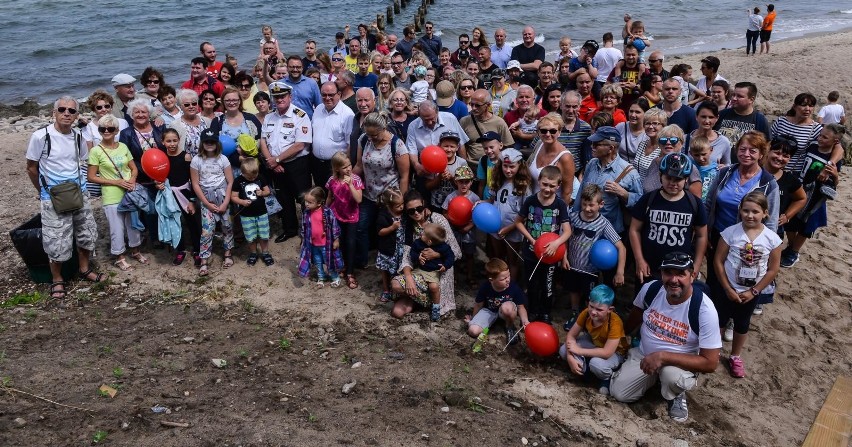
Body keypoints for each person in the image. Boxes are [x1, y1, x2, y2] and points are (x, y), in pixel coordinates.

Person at [610, 252, 722, 422]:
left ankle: (676, 393)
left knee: (671, 376)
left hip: (678, 363)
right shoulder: (651, 289)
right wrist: (619, 338)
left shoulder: (704, 309)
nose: (673, 279)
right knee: (619, 392)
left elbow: (711, 363)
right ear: (661, 274)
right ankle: (651, 377)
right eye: (668, 272)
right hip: (644, 354)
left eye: (680, 274)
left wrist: (662, 357)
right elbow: (636, 315)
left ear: (692, 276)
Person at [26, 97, 103, 296]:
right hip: (52, 196)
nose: (66, 113)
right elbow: (31, 168)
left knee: (86, 233)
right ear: (54, 112)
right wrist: (43, 192)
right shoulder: (40, 136)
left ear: (77, 115)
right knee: (56, 239)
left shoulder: (78, 136)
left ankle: (84, 269)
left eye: (71, 111)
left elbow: (83, 162)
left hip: (79, 193)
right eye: (62, 109)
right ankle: (57, 278)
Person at [705, 131, 780, 318]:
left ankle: (733, 318)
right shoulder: (725, 173)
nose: (746, 154)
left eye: (752, 151)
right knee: (717, 277)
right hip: (719, 235)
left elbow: (771, 221)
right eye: (742, 149)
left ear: (761, 154)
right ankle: (714, 318)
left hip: (749, 242)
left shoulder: (767, 183)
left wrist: (765, 248)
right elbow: (709, 203)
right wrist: (705, 234)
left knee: (741, 279)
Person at [712, 191, 781, 377]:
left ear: (765, 213)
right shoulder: (730, 233)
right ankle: (714, 352)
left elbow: (773, 269)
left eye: (755, 212)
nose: (750, 215)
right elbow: (718, 261)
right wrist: (727, 287)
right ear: (740, 210)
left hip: (751, 291)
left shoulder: (772, 239)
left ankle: (735, 356)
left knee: (742, 323)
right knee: (720, 319)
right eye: (746, 210)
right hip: (727, 287)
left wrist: (755, 291)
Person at [630, 152, 708, 286]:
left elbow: (702, 236)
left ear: (686, 179)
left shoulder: (694, 203)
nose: (672, 183)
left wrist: (696, 265)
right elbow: (634, 229)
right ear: (660, 176)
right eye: (668, 178)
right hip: (650, 268)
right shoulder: (649, 199)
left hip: (680, 271)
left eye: (678, 179)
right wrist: (639, 260)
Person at [86, 114, 146, 272]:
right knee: (116, 227)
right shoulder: (96, 151)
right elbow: (91, 177)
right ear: (99, 130)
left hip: (129, 191)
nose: (106, 131)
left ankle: (135, 250)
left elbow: (133, 168)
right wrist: (116, 182)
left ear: (116, 130)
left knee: (132, 224)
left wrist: (132, 180)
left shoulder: (123, 147)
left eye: (110, 128)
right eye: (103, 128)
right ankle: (119, 256)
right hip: (111, 193)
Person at [781, 125, 846, 268]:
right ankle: (791, 248)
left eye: (825, 137)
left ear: (835, 141)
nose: (820, 138)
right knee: (789, 221)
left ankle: (793, 251)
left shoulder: (834, 159)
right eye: (820, 135)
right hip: (800, 189)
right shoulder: (812, 146)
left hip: (816, 197)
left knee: (806, 227)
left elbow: (835, 182)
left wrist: (834, 175)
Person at [353, 112, 410, 268]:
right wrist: (347, 181)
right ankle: (362, 261)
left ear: (383, 128)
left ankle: (389, 263)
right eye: (368, 134)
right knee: (361, 227)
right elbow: (359, 166)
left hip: (390, 197)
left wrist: (402, 201)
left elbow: (404, 176)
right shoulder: (363, 140)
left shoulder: (397, 145)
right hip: (368, 194)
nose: (371, 138)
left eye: (375, 135)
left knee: (388, 231)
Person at [392, 190, 462, 318]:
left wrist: (437, 254)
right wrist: (408, 278)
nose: (416, 213)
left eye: (419, 208)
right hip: (419, 271)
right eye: (411, 211)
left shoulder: (438, 219)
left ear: (424, 204)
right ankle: (418, 299)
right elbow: (407, 256)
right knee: (396, 288)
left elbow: (456, 252)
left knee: (433, 289)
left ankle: (428, 302)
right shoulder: (408, 225)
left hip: (438, 273)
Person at [515, 165, 572, 323]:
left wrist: (556, 244)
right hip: (531, 252)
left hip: (551, 255)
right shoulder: (530, 201)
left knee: (548, 285)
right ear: (539, 181)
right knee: (532, 283)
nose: (547, 189)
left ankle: (545, 312)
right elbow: (519, 222)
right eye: (545, 184)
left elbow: (567, 231)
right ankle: (532, 310)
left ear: (558, 186)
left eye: (552, 186)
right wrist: (532, 239)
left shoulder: (560, 205)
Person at [259, 82, 313, 243]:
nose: (279, 99)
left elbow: (300, 144)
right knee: (284, 198)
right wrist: (271, 162)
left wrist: (276, 160)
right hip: (275, 166)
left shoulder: (300, 115)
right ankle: (289, 229)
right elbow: (263, 141)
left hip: (297, 165)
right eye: (276, 97)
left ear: (290, 96)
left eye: (282, 96)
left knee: (304, 199)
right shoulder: (269, 117)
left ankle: (308, 230)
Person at [565, 185, 626, 323]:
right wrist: (563, 257)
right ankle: (575, 314)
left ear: (601, 204)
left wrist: (620, 272)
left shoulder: (603, 224)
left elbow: (621, 247)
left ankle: (588, 318)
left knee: (590, 296)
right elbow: (565, 239)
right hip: (572, 265)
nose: (587, 209)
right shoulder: (573, 217)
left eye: (591, 205)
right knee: (573, 289)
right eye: (584, 204)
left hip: (590, 271)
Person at [560, 284, 629, 395]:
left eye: (599, 309)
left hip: (615, 352)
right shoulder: (586, 313)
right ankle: (584, 369)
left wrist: (578, 351)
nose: (593, 312)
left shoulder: (615, 322)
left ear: (610, 309)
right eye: (591, 306)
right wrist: (570, 356)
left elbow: (607, 353)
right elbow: (571, 336)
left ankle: (607, 378)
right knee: (563, 350)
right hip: (594, 342)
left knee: (597, 364)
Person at [574, 126, 643, 235]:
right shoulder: (592, 163)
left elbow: (641, 203)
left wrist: (624, 194)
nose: (592, 147)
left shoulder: (629, 172)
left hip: (610, 233)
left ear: (611, 148)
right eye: (592, 144)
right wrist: (574, 219)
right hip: (585, 227)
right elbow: (580, 194)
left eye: (596, 144)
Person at [190, 129, 234, 276]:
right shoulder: (196, 160)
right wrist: (206, 204)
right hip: (206, 197)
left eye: (212, 141)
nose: (209, 144)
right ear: (202, 143)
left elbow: (230, 181)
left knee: (227, 225)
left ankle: (227, 253)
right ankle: (204, 260)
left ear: (217, 143)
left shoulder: (223, 159)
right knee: (207, 230)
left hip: (222, 195)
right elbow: (195, 184)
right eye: (206, 141)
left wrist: (226, 201)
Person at [158, 128, 201, 266]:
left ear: (179, 140)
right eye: (168, 141)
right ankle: (180, 249)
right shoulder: (161, 158)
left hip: (185, 193)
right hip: (169, 194)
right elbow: (158, 176)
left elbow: (193, 180)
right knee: (174, 222)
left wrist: (192, 200)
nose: (172, 144)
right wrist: (157, 184)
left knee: (192, 222)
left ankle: (197, 250)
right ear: (163, 142)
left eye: (174, 140)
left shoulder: (186, 156)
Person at [489, 148, 532, 281]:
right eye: (505, 166)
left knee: (512, 260)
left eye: (512, 166)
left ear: (520, 166)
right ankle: (498, 282)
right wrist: (481, 203)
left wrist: (509, 228)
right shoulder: (497, 180)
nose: (508, 170)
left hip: (513, 229)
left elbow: (525, 214)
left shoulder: (524, 186)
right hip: (495, 227)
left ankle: (510, 285)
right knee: (498, 257)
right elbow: (492, 200)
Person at [466, 258, 530, 344]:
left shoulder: (513, 287)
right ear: (491, 280)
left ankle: (509, 327)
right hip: (489, 311)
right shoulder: (485, 287)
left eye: (508, 276)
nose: (507, 280)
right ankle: (487, 327)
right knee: (473, 331)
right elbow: (478, 305)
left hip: (505, 312)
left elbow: (520, 307)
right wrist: (474, 319)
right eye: (503, 279)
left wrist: (525, 321)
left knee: (507, 308)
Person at [325, 151, 363, 289]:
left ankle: (350, 272)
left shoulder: (356, 179)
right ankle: (341, 266)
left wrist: (351, 185)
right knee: (338, 242)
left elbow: (359, 199)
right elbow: (330, 197)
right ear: (337, 169)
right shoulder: (332, 180)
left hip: (352, 216)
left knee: (350, 243)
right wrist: (325, 211)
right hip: (337, 215)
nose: (348, 168)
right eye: (345, 167)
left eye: (349, 165)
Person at [230, 157, 274, 267]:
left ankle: (265, 253)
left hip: (261, 212)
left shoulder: (260, 177)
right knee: (250, 236)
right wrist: (242, 201)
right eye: (249, 177)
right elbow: (233, 196)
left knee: (263, 234)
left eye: (254, 176)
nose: (253, 178)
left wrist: (262, 193)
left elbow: (267, 191)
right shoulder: (238, 181)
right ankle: (253, 253)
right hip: (246, 215)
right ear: (243, 173)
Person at [311, 82, 355, 188]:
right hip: (317, 164)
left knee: (335, 197)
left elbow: (350, 144)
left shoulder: (347, 114)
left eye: (331, 95)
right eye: (324, 95)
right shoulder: (318, 109)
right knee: (320, 194)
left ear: (339, 94)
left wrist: (345, 168)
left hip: (335, 166)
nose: (327, 98)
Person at [298, 187, 344, 288]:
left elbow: (335, 226)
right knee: (318, 262)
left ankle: (335, 277)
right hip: (313, 244)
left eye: (310, 202)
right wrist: (303, 240)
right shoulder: (306, 213)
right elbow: (303, 228)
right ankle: (321, 277)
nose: (306, 204)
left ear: (319, 203)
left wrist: (336, 239)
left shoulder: (327, 212)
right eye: (306, 201)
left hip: (326, 244)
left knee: (329, 261)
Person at [442, 165, 479, 285]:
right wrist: (453, 223)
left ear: (471, 182)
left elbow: (478, 216)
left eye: (467, 182)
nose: (464, 185)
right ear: (456, 182)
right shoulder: (451, 197)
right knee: (454, 255)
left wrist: (468, 227)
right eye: (461, 182)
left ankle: (470, 276)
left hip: (469, 232)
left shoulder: (475, 198)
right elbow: (444, 212)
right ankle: (455, 277)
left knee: (469, 255)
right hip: (454, 231)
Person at [642, 125, 703, 198]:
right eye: (663, 140)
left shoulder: (689, 167)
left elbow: (696, 200)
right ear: (659, 144)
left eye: (673, 140)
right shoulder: (655, 162)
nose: (668, 142)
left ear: (681, 143)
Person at [527, 113, 577, 201]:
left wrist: (561, 213)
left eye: (553, 131)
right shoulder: (539, 144)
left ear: (559, 132)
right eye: (543, 131)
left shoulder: (565, 157)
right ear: (538, 132)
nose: (547, 134)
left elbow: (567, 193)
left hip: (552, 208)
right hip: (533, 203)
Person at [770, 93, 823, 174]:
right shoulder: (781, 121)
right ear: (794, 106)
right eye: (803, 105)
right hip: (772, 168)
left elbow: (836, 146)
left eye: (811, 106)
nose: (807, 109)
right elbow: (768, 142)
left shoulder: (816, 128)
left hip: (794, 172)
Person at [460, 89, 514, 164]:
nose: (474, 108)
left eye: (477, 105)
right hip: (472, 165)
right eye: (471, 104)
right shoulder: (464, 121)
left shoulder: (499, 122)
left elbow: (508, 145)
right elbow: (461, 144)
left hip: (493, 166)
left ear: (488, 105)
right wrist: (464, 164)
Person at [715, 82, 770, 148]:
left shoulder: (760, 120)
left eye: (739, 96)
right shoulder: (722, 114)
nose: (734, 98)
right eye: (733, 95)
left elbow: (767, 145)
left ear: (751, 99)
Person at [685, 101, 731, 167]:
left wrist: (724, 167)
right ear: (696, 117)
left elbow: (728, 165)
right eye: (703, 117)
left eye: (711, 117)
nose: (707, 121)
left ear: (717, 118)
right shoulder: (685, 139)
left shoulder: (723, 142)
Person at [169, 89, 211, 160]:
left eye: (194, 103)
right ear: (180, 107)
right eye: (187, 105)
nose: (191, 106)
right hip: (188, 165)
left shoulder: (207, 121)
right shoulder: (175, 125)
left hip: (209, 163)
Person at [608, 44, 648, 113]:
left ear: (638, 55)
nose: (631, 57)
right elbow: (606, 86)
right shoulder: (618, 68)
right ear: (624, 55)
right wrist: (616, 86)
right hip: (620, 106)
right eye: (628, 55)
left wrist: (635, 87)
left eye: (633, 55)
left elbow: (650, 90)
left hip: (638, 107)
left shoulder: (644, 70)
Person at [616, 99, 649, 164]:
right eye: (631, 111)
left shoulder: (649, 131)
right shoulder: (620, 127)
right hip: (620, 168)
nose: (633, 115)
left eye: (637, 112)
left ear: (646, 113)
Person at [688, 136, 718, 203]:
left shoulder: (717, 169)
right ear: (690, 153)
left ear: (711, 150)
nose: (701, 158)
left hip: (709, 205)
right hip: (693, 202)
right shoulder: (689, 167)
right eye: (696, 155)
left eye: (703, 154)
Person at [475, 131, 503, 200]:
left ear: (500, 145)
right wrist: (480, 199)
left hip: (501, 200)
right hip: (486, 198)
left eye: (491, 147)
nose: (489, 151)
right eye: (485, 148)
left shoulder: (505, 161)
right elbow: (482, 184)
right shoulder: (483, 160)